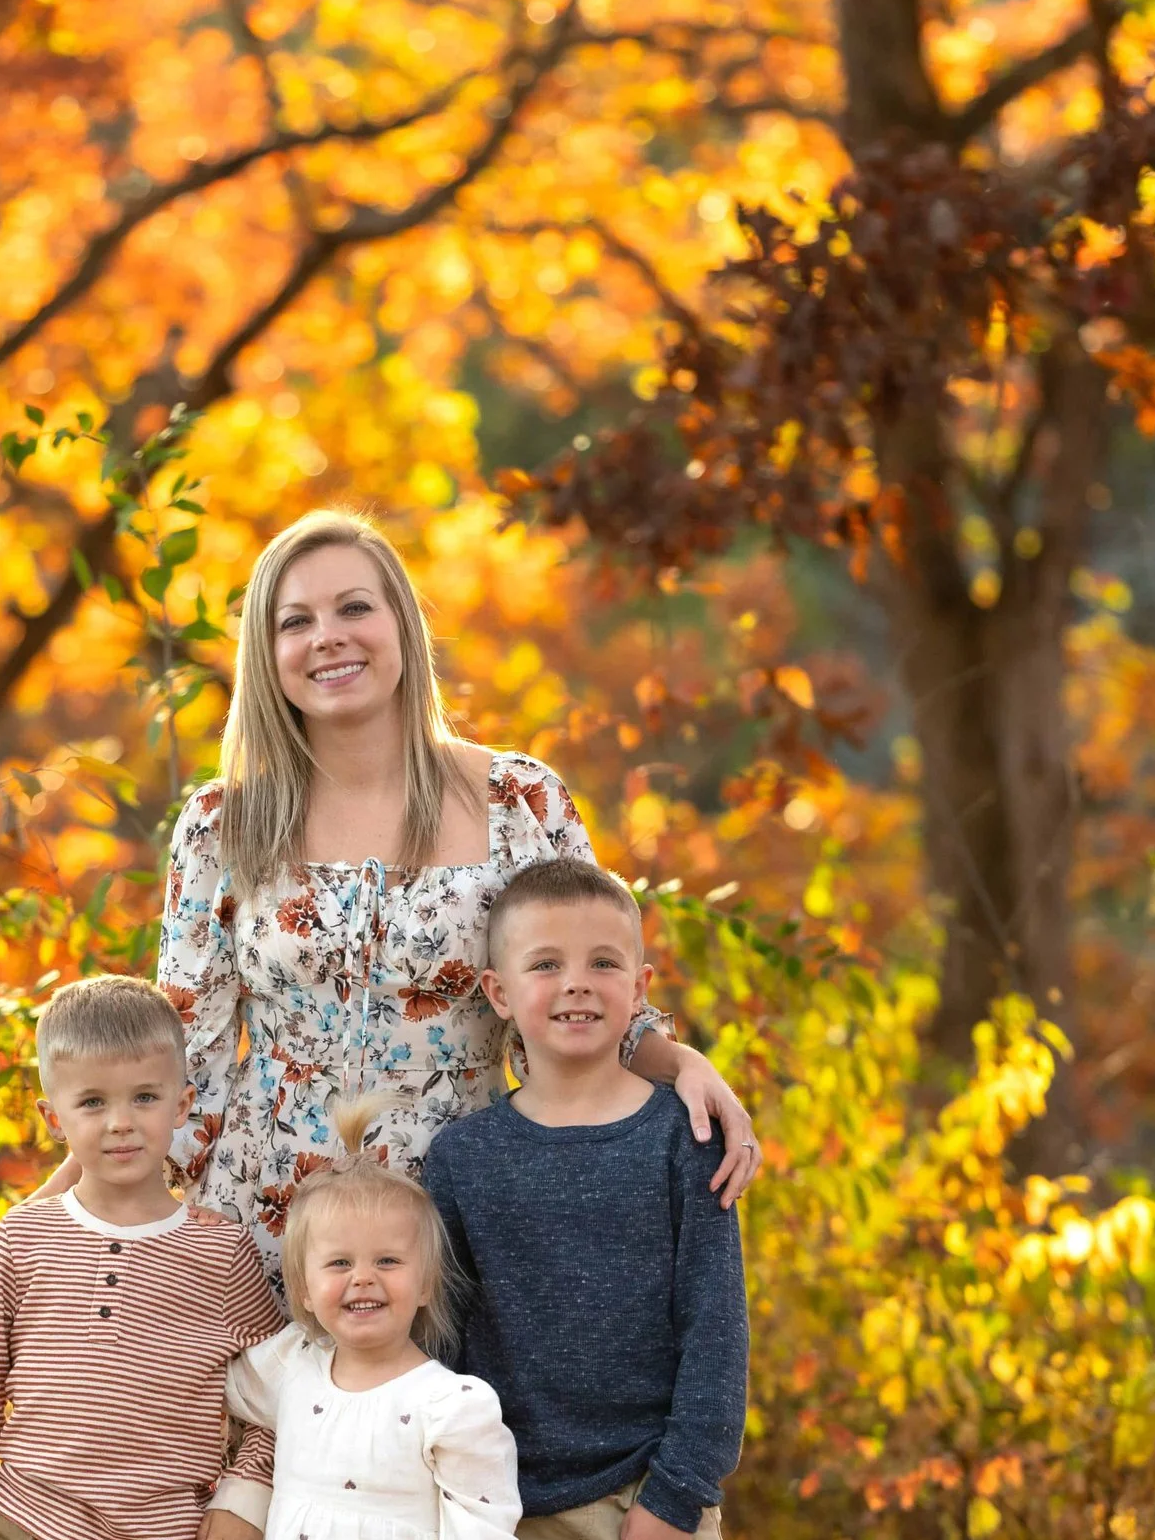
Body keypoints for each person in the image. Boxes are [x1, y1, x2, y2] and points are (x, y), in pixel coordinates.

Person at [60, 508, 760, 1293]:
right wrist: (70, 1212)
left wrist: (683, 1062)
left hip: (459, 1218)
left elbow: (579, 996)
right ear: (269, 653)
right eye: (297, 621)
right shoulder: (223, 825)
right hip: (267, 1229)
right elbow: (182, 1057)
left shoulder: (516, 801)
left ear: (402, 624)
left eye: (355, 607)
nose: (328, 635)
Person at [421, 858, 751, 1540]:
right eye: (546, 965)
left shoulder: (683, 1134)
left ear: (639, 988)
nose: (577, 984)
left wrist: (680, 1494)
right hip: (515, 1510)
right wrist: (458, 1501)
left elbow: (717, 1326)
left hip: (657, 1484)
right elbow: (443, 1344)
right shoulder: (462, 1158)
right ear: (499, 994)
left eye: (603, 963)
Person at [0, 977, 284, 1540]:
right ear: (53, 1117)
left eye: (144, 1096)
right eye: (92, 1102)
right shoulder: (22, 1238)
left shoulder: (221, 1252)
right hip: (26, 1531)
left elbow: (284, 1394)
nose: (120, 1121)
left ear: (182, 1103)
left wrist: (247, 1488)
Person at [224, 1096, 523, 1540]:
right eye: (339, 1264)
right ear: (305, 1291)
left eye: (388, 1262)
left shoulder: (450, 1403)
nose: (363, 1278)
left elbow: (487, 1517)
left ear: (427, 1284)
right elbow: (216, 1385)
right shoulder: (293, 1368)